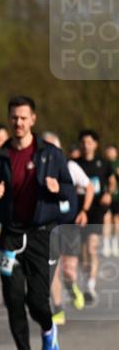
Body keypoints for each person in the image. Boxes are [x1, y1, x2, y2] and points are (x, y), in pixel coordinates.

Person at [0, 96, 73, 350]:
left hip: (40, 236)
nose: (18, 122)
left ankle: (48, 329)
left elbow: (71, 196)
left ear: (33, 119)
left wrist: (58, 189)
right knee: (12, 299)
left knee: (36, 300)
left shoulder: (50, 154)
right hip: (10, 236)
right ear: (9, 119)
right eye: (13, 117)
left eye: (23, 117)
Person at [41, 131, 92, 324]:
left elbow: (89, 187)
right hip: (50, 225)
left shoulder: (71, 166)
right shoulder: (40, 169)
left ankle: (71, 286)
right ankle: (58, 307)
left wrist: (84, 210)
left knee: (69, 270)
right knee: (52, 268)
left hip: (69, 224)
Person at [73, 129, 116, 304]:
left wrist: (109, 193)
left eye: (89, 142)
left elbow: (112, 181)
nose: (85, 145)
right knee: (83, 252)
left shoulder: (103, 163)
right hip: (79, 210)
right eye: (83, 142)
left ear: (95, 144)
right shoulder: (74, 164)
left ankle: (90, 284)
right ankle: (85, 280)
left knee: (92, 247)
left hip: (97, 209)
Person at [105, 143, 119, 257]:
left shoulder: (117, 164)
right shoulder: (103, 164)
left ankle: (115, 243)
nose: (110, 153)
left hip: (117, 198)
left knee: (116, 221)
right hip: (105, 197)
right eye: (108, 151)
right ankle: (106, 244)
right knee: (107, 220)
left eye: (112, 151)